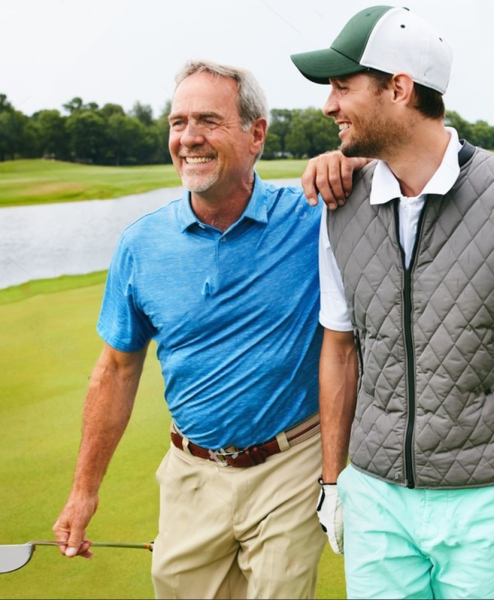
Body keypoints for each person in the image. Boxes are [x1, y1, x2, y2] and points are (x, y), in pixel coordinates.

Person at [292, 6, 494, 599]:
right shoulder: (339, 204)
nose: (329, 105)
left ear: (399, 88)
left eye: (342, 86)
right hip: (376, 497)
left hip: (486, 501)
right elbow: (340, 348)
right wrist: (334, 483)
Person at [52, 60, 364, 600]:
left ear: (256, 134)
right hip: (190, 472)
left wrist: (352, 158)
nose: (188, 138)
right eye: (178, 122)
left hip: (290, 465)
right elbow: (116, 369)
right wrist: (84, 492)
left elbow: (410, 163)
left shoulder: (314, 218)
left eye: (208, 121)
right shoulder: (140, 244)